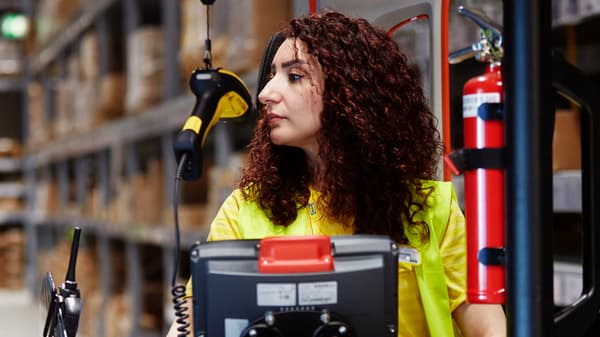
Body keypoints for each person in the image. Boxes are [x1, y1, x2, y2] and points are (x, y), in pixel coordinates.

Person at [167, 10, 506, 337]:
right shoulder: (243, 210)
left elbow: (490, 328)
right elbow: (191, 324)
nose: (265, 94)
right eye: (271, 75)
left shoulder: (433, 210)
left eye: (294, 76)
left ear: (349, 94)